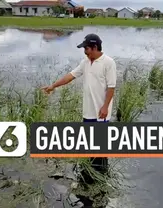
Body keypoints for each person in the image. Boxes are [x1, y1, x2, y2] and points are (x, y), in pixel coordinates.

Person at [41, 33, 117, 174]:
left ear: (95, 47)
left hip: (101, 113)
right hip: (88, 112)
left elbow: (111, 87)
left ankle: (101, 174)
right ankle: (89, 171)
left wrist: (105, 107)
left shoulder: (108, 63)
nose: (84, 52)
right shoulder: (85, 62)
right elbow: (70, 76)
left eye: (86, 49)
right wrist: (53, 86)